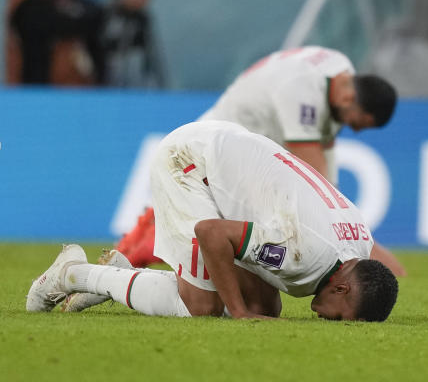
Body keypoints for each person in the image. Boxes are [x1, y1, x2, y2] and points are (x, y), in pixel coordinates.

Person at [27, 121, 399, 321]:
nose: (329, 322)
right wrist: (237, 313)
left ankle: (125, 276)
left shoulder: (358, 244)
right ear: (344, 289)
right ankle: (73, 273)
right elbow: (212, 233)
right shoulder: (302, 253)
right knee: (202, 307)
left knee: (265, 311)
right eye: (339, 319)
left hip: (232, 161)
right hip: (190, 163)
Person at [116, 46, 404, 276]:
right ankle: (145, 246)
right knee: (216, 230)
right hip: (218, 141)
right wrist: (350, 238)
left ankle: (145, 236)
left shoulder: (339, 72)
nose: (355, 130)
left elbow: (323, 173)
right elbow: (310, 172)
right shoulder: (302, 92)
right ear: (349, 97)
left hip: (249, 139)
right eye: (359, 123)